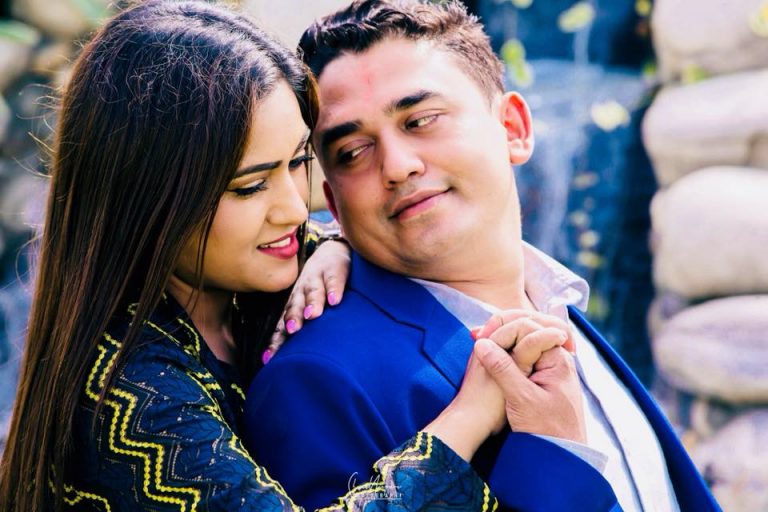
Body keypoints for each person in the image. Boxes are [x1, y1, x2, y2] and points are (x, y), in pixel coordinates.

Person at [0, 1, 572, 510]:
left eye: (298, 163)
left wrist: (340, 243)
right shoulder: (128, 393)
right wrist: (469, 417)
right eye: (250, 186)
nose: (296, 210)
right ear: (150, 201)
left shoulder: (274, 273)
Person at [243, 1, 722, 511]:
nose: (398, 166)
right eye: (353, 152)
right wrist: (552, 459)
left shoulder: (559, 306)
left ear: (513, 128)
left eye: (421, 120)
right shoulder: (315, 382)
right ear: (334, 204)